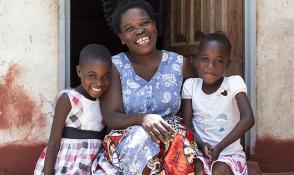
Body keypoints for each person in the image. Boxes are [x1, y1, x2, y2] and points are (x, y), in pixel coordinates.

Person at [91, 0, 197, 174]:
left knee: (178, 139)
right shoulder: (116, 66)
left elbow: (196, 109)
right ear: (122, 38)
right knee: (142, 137)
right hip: (129, 141)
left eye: (145, 23)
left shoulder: (179, 64)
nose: (139, 30)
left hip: (172, 140)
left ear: (155, 25)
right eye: (129, 28)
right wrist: (142, 119)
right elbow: (111, 117)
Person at [181, 32, 255, 175]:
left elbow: (248, 118)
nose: (211, 66)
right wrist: (201, 144)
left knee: (219, 171)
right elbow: (187, 124)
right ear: (196, 60)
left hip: (229, 153)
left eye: (219, 61)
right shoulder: (190, 86)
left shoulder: (234, 83)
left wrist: (219, 148)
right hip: (200, 151)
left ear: (227, 64)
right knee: (198, 170)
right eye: (205, 59)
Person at [34, 44, 112, 175]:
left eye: (106, 76)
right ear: (79, 72)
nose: (99, 83)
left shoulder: (105, 100)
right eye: (92, 76)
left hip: (94, 163)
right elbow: (53, 142)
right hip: (67, 163)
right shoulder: (68, 99)